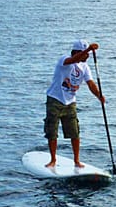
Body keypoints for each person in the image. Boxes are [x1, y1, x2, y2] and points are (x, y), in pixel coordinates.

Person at [43, 39, 105, 168]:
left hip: (70, 102)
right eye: (84, 54)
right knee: (52, 131)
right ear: (77, 52)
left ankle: (76, 161)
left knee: (74, 132)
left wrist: (99, 96)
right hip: (55, 100)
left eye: (88, 54)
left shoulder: (85, 67)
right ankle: (53, 160)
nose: (87, 56)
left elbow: (90, 83)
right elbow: (72, 60)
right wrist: (89, 49)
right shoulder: (64, 60)